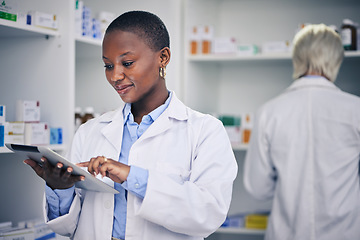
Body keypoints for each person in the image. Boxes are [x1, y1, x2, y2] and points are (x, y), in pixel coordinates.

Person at [24, 10, 238, 240]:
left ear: (163, 57)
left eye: (127, 63)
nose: (115, 76)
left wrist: (131, 176)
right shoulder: (90, 131)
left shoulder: (204, 131)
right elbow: (66, 228)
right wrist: (60, 188)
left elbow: (209, 215)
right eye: (108, 66)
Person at [243, 23, 360, 240]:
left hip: (287, 233)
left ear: (296, 58)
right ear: (336, 60)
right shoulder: (355, 110)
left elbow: (258, 188)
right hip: (346, 232)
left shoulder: (269, 112)